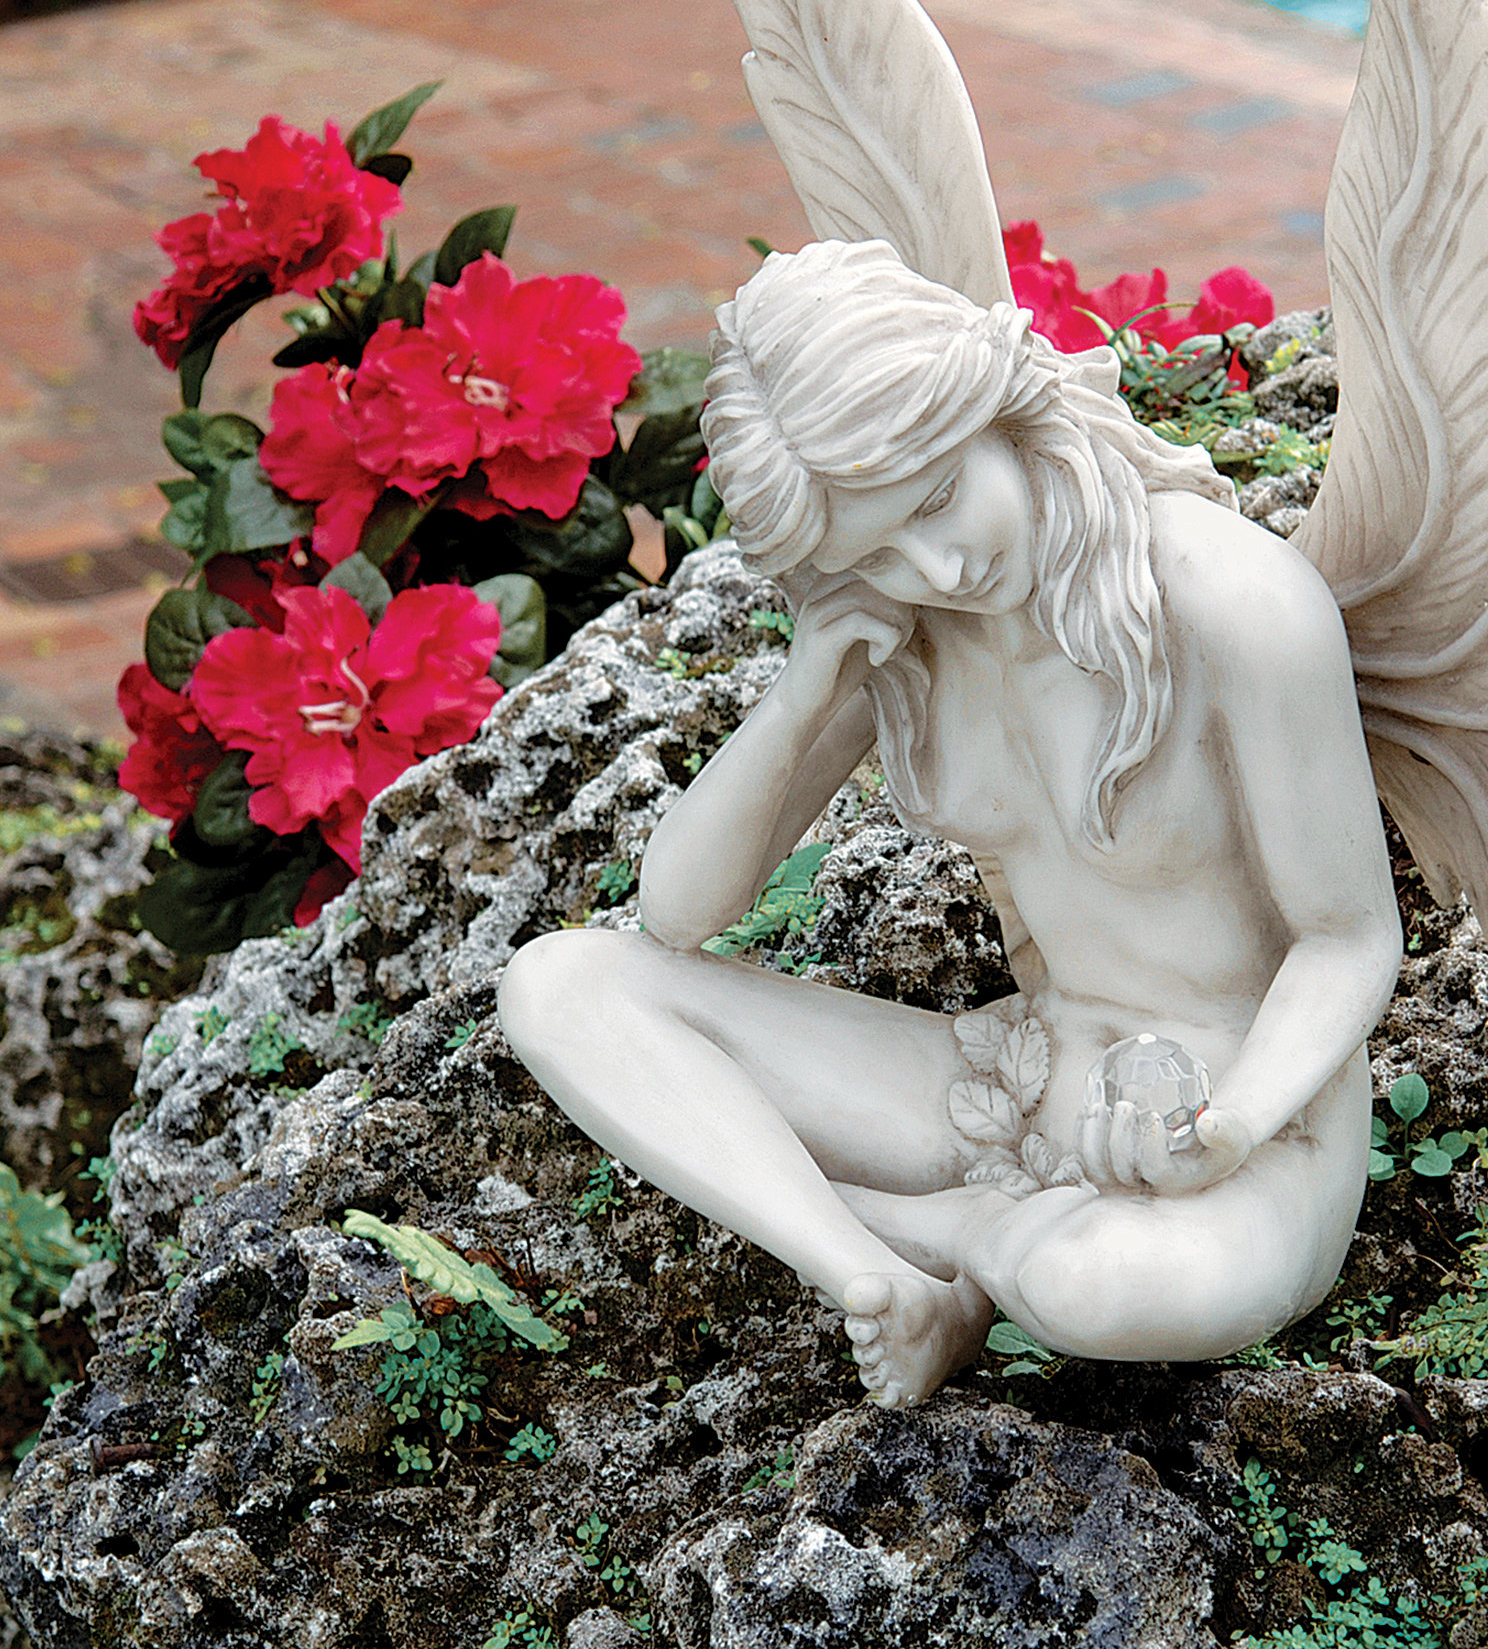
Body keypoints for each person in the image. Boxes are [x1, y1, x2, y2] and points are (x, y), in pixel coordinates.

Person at [497, 239, 1405, 1406]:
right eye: (876, 547)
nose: (940, 565)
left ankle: (954, 1231)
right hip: (1018, 1079)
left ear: (997, 408)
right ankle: (878, 1272)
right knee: (564, 986)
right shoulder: (906, 625)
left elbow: (1346, 938)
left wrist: (1225, 1127)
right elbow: (675, 913)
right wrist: (806, 689)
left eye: (936, 499)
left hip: (1244, 1122)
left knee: (1095, 1286)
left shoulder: (1230, 599)